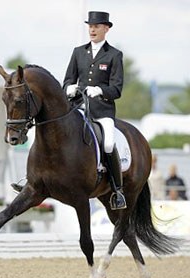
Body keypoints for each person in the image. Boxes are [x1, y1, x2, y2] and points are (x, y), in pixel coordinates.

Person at [63, 11, 125, 210]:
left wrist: (99, 90)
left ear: (106, 29)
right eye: (90, 26)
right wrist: (69, 88)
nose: (92, 29)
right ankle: (34, 179)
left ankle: (117, 191)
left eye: (97, 26)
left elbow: (117, 89)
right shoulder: (78, 52)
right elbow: (67, 80)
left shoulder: (114, 55)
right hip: (77, 109)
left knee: (107, 143)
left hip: (102, 111)